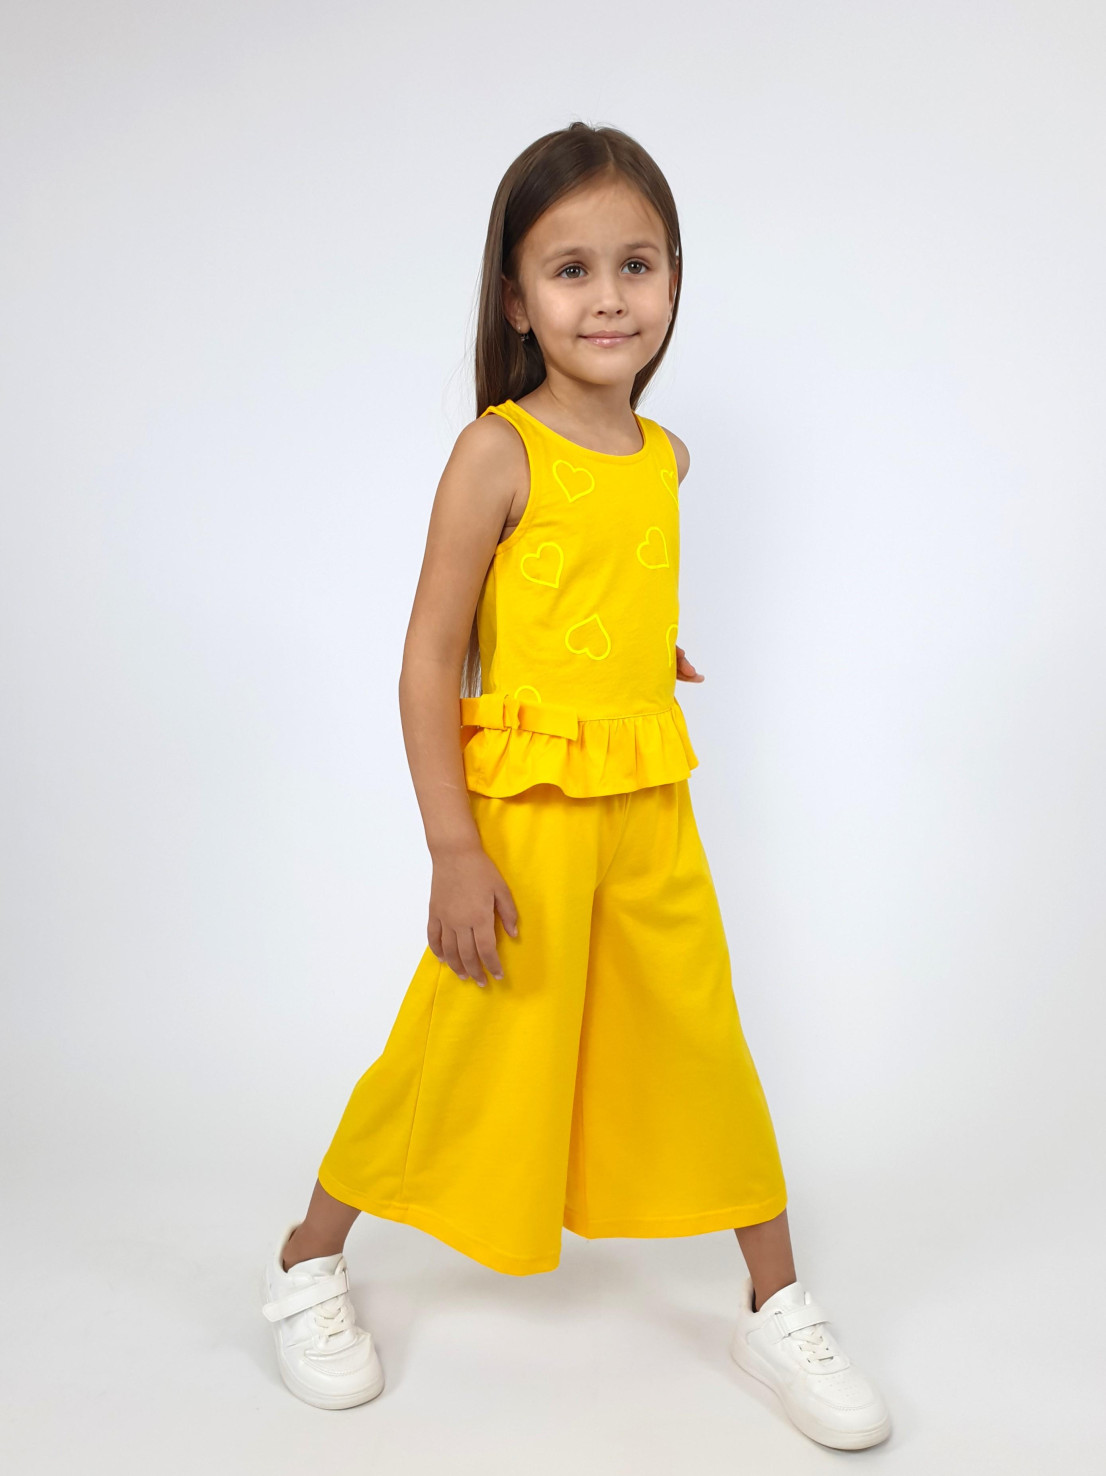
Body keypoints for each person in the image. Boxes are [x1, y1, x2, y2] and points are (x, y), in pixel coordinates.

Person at [259, 121, 892, 1451]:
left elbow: (598, 587)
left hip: (650, 805)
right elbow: (429, 659)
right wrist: (452, 848)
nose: (608, 298)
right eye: (569, 270)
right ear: (514, 299)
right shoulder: (496, 451)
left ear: (673, 282)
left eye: (635, 265)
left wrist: (643, 653)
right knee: (463, 1040)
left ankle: (775, 1303)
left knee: (701, 1039)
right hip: (526, 823)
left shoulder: (665, 457)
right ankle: (308, 1259)